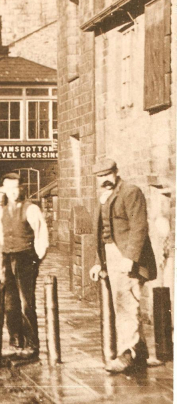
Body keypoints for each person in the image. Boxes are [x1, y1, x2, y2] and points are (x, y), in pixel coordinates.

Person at [89, 158, 156, 373]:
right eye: (100, 176)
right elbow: (101, 234)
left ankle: (127, 355)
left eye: (108, 174)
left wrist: (130, 258)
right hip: (110, 255)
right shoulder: (101, 198)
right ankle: (140, 353)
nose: (105, 180)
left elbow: (139, 227)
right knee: (124, 304)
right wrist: (98, 262)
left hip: (127, 256)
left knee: (126, 305)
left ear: (116, 172)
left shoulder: (130, 191)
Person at [0, 172, 48, 360]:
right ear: (4, 190)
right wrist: (2, 263)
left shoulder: (31, 209)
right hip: (8, 258)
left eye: (16, 188)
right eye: (9, 188)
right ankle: (16, 339)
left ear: (21, 189)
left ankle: (32, 344)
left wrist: (36, 260)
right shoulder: (1, 212)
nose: (13, 192)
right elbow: (1, 238)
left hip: (26, 258)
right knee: (10, 302)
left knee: (26, 302)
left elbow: (42, 236)